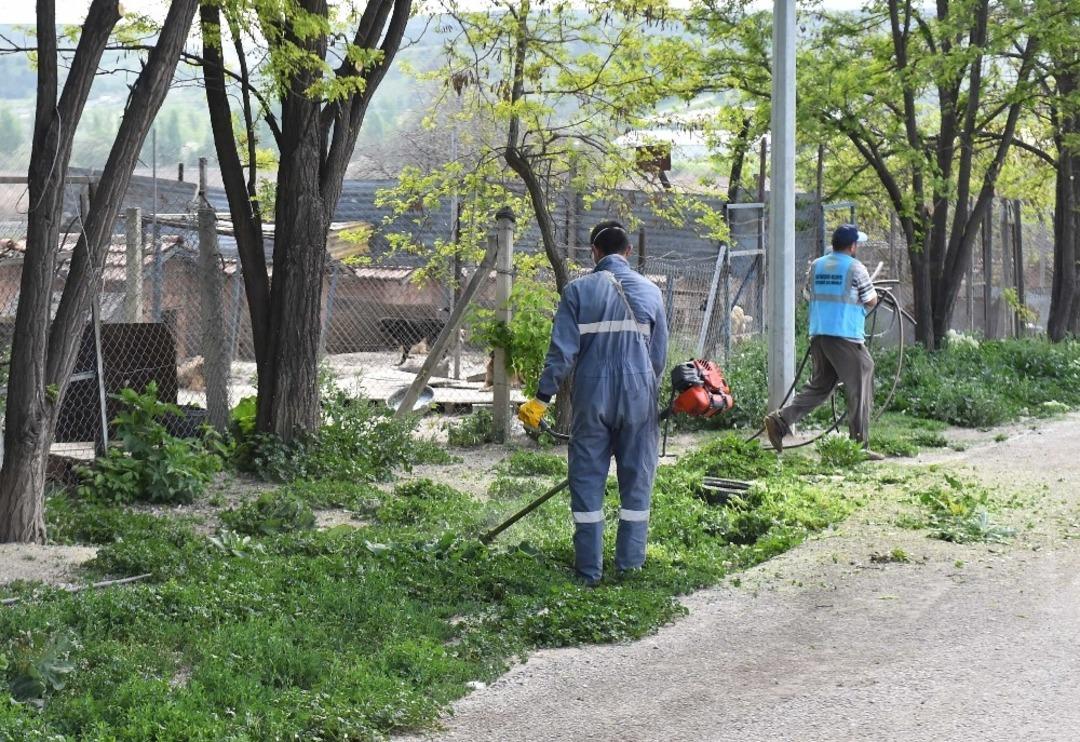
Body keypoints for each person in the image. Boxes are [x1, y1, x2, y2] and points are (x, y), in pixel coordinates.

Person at [517, 220, 668, 586]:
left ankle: (589, 572)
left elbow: (561, 354)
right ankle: (629, 568)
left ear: (595, 253)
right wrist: (643, 389)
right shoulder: (652, 292)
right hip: (639, 396)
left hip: (592, 397)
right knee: (637, 483)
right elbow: (659, 358)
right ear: (628, 252)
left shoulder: (577, 292)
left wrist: (541, 400)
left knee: (586, 481)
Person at [763, 223, 884, 460]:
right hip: (846, 337)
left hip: (820, 335)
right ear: (852, 246)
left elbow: (808, 294)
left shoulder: (817, 266)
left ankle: (780, 421)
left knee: (821, 386)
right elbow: (870, 300)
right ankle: (858, 447)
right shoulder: (856, 268)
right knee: (862, 379)